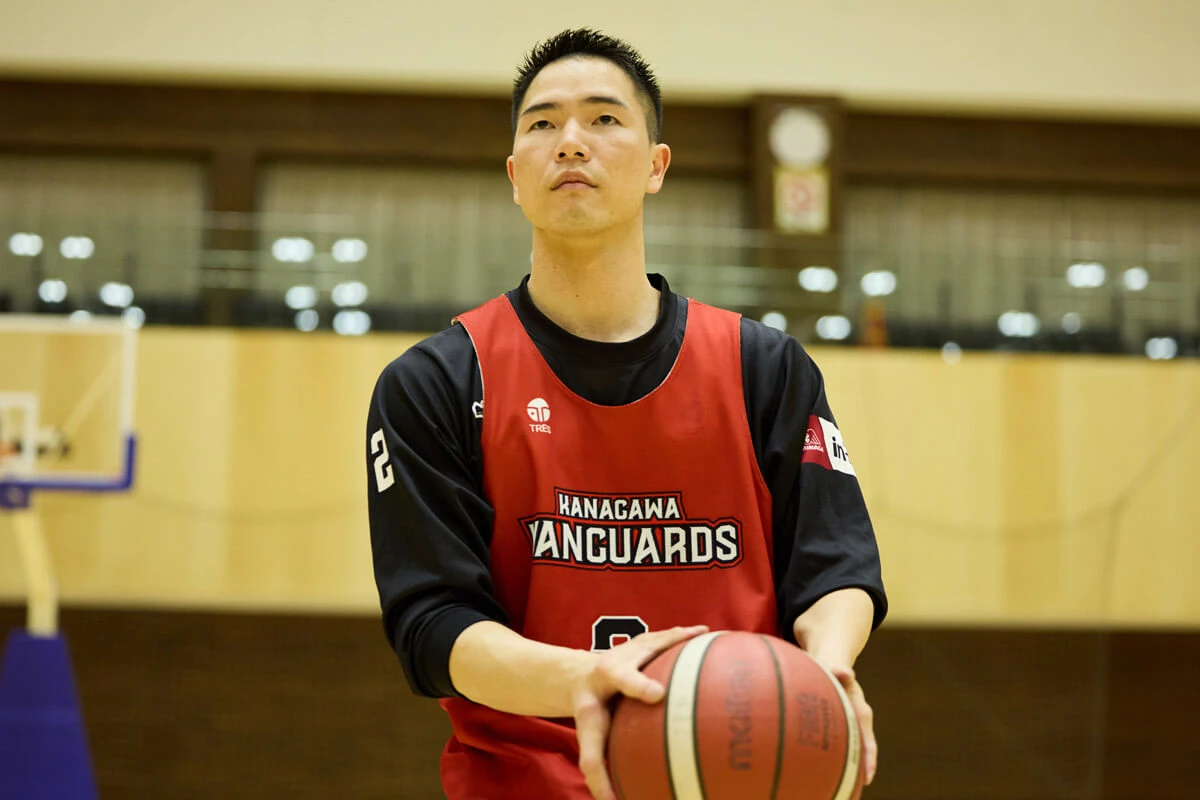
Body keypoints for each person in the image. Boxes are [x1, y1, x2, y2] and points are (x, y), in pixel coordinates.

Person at [366, 28, 886, 800]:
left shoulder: (765, 369)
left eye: (604, 118)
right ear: (515, 176)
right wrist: (589, 679)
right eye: (543, 123)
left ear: (656, 166)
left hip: (734, 770)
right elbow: (432, 625)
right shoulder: (436, 382)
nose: (571, 141)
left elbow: (834, 569)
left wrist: (828, 670)